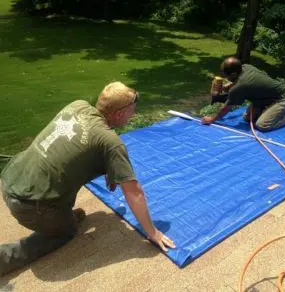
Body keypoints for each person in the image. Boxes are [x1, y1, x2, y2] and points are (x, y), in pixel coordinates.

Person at [0, 81, 175, 276]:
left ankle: (60, 215)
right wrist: (152, 232)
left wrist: (110, 170)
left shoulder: (78, 105)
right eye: (131, 110)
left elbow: (78, 148)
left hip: (10, 178)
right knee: (66, 232)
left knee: (62, 178)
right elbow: (134, 193)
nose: (133, 114)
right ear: (118, 114)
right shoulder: (110, 142)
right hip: (28, 204)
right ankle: (6, 257)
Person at [203, 57, 285, 131]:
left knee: (262, 125)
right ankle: (273, 109)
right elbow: (241, 81)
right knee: (247, 118)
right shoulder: (246, 67)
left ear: (234, 74)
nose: (226, 78)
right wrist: (226, 86)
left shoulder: (240, 87)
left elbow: (226, 108)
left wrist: (212, 119)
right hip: (265, 98)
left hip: (282, 98)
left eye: (227, 76)